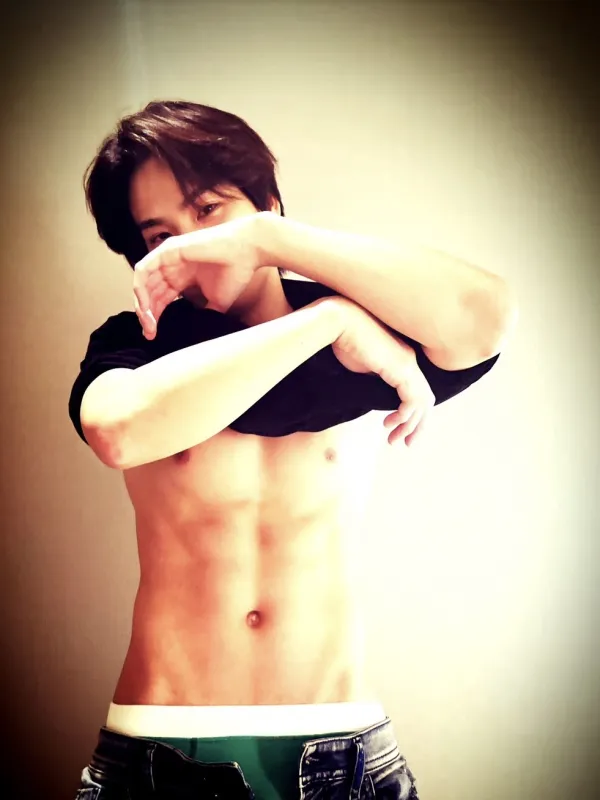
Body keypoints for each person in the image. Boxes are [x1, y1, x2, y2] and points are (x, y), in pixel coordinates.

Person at [69, 100, 516, 799]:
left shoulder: (377, 336)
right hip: (161, 748)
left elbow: (484, 316)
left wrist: (272, 242)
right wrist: (327, 322)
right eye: (161, 235)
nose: (194, 245)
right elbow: (117, 430)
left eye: (210, 209)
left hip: (346, 749)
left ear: (266, 204)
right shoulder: (138, 346)